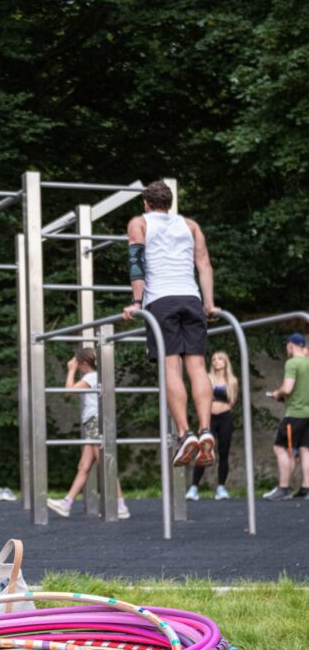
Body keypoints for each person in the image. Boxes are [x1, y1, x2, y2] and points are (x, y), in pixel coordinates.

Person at [122, 180, 217, 468]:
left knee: (171, 366)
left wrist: (137, 304)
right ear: (171, 203)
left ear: (146, 203)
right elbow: (204, 264)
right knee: (198, 367)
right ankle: (205, 429)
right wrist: (209, 304)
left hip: (160, 300)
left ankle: (184, 433)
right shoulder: (190, 225)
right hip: (191, 298)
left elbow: (136, 264)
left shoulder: (139, 223)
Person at [47, 348, 130, 519]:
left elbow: (69, 391)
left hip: (94, 422)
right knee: (84, 466)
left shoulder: (91, 377)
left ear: (84, 364)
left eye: (77, 363)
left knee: (105, 465)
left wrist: (70, 371)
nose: (75, 366)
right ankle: (66, 503)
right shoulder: (95, 376)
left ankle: (121, 506)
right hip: (92, 422)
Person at [263, 333, 309, 501]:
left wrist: (277, 393)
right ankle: (306, 488)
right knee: (305, 449)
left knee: (280, 448)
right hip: (308, 414)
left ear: (290, 345)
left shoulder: (292, 363)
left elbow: (288, 388)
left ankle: (283, 488)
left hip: (295, 414)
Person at [186, 351, 238, 500]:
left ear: (225, 362)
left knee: (223, 452)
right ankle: (194, 488)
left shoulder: (232, 381)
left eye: (220, 359)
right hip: (210, 417)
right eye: (214, 359)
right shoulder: (207, 378)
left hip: (225, 418)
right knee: (203, 450)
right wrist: (204, 422)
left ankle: (221, 488)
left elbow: (232, 401)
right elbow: (202, 400)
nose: (216, 361)